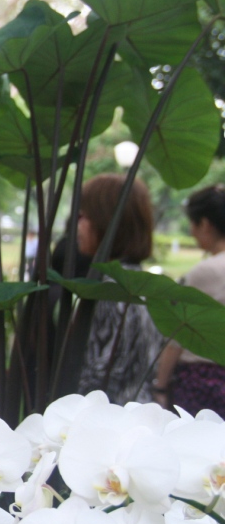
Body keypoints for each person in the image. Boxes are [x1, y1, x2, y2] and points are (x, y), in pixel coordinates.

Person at [74, 173, 161, 404]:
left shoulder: (110, 290)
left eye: (83, 216)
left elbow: (102, 374)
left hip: (105, 422)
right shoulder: (148, 286)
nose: (77, 224)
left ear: (106, 221)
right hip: (139, 412)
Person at [155, 185, 225, 415]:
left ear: (205, 224)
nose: (192, 232)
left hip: (203, 381)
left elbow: (178, 336)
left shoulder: (205, 272)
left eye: (193, 225)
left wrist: (161, 387)